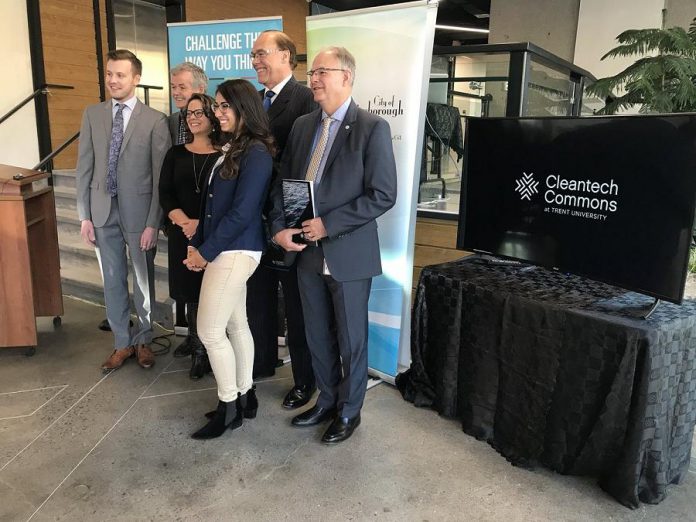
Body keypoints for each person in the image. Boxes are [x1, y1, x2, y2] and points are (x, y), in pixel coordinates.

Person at [270, 47, 397, 444]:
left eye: (323, 72)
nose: (314, 79)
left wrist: (329, 224)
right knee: (315, 334)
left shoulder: (371, 127)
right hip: (305, 250)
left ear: (347, 77)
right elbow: (284, 184)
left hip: (348, 253)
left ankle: (349, 411)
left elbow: (382, 194)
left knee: (351, 338)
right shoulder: (304, 125)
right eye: (313, 72)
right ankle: (326, 401)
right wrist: (279, 228)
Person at [186, 79, 275, 440]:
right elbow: (212, 209)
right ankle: (245, 395)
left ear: (244, 109)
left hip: (236, 251)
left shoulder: (256, 152)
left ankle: (228, 409)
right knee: (237, 326)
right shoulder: (233, 147)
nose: (217, 113)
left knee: (209, 331)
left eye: (225, 107)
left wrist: (205, 252)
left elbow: (241, 213)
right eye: (216, 106)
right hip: (225, 248)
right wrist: (199, 244)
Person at [76, 49, 171, 372]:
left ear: (136, 78)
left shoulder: (155, 120)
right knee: (113, 281)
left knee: (143, 281)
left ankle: (144, 339)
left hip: (139, 214)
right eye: (109, 74)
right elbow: (84, 168)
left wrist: (152, 222)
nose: (113, 80)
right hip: (102, 212)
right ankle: (121, 343)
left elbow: (160, 178)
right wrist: (84, 215)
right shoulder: (92, 114)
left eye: (120, 75)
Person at [247, 30, 318, 409]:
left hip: (289, 220)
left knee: (296, 307)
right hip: (253, 218)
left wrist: (286, 221)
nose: (256, 61)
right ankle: (261, 363)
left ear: (286, 55)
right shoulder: (256, 100)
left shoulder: (305, 98)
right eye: (253, 55)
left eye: (262, 53)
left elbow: (299, 167)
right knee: (257, 298)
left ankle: (305, 381)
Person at [159, 94, 221, 379]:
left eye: (199, 112)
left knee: (210, 293)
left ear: (213, 116)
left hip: (213, 235)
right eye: (188, 113)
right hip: (182, 233)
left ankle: (204, 348)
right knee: (190, 293)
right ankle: (197, 346)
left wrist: (202, 226)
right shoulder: (175, 153)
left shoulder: (225, 154)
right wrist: (185, 222)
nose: (193, 118)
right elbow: (166, 193)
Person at [169, 62, 208, 146]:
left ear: (200, 89)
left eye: (182, 87)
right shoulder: (169, 122)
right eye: (173, 87)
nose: (175, 92)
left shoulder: (216, 120)